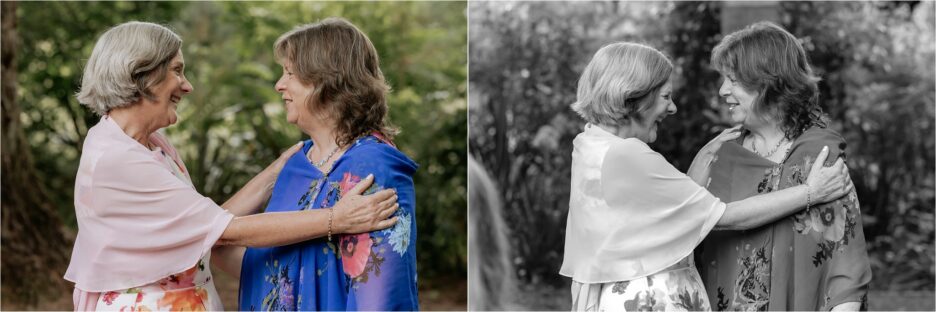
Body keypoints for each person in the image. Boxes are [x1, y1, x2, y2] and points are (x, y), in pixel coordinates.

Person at [65, 21, 399, 311]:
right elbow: (226, 230)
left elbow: (206, 223)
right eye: (177, 70)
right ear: (142, 74)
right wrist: (336, 219)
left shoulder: (150, 144)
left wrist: (278, 168)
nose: (187, 85)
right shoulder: (118, 158)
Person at [559, 42, 854, 311]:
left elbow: (668, 214)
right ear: (633, 96)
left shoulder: (589, 145)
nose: (672, 108)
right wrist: (810, 192)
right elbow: (724, 216)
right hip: (649, 299)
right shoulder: (627, 155)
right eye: (665, 96)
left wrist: (702, 159)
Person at [237, 18, 419, 311]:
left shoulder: (372, 165)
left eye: (290, 73)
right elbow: (270, 265)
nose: (279, 85)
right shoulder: (296, 164)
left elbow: (381, 294)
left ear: (327, 80)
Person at [695, 22, 871, 311]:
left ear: (768, 83)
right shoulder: (718, 155)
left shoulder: (817, 155)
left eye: (733, 80)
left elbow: (846, 267)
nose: (722, 90)